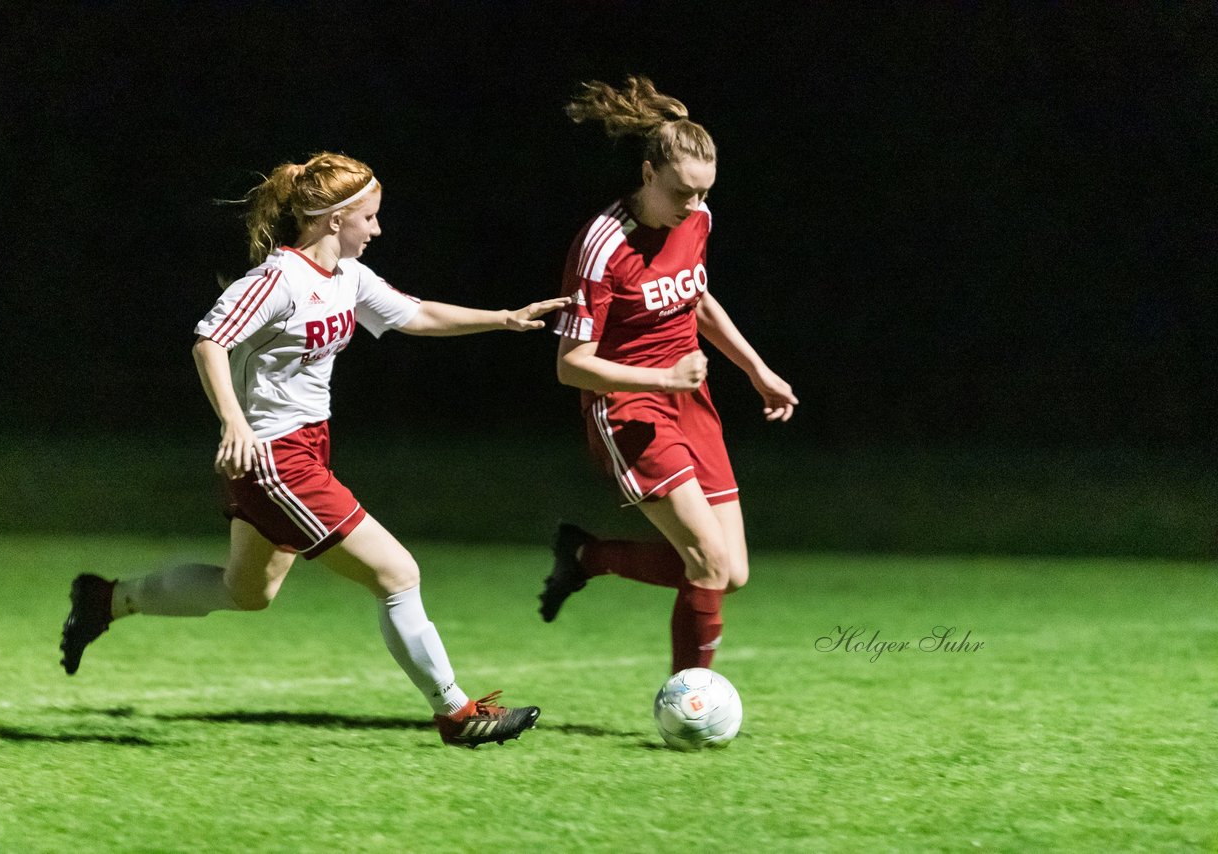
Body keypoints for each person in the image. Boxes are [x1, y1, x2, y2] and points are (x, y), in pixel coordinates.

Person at [60, 151, 568, 748]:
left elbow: (416, 314)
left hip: (302, 450)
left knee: (246, 592)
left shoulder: (347, 276)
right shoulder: (279, 281)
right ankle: (455, 713)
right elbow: (208, 342)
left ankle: (105, 598)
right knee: (398, 573)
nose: (376, 230)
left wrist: (504, 319)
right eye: (369, 218)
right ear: (333, 220)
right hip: (274, 458)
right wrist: (233, 423)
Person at [540, 77, 797, 675]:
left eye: (704, 191)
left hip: (689, 399)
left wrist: (757, 370)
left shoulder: (696, 217)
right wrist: (661, 382)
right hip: (628, 408)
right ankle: (690, 699)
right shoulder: (602, 248)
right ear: (649, 172)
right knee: (707, 564)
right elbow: (570, 366)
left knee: (731, 572)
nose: (694, 204)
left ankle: (585, 555)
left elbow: (696, 300)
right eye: (683, 190)